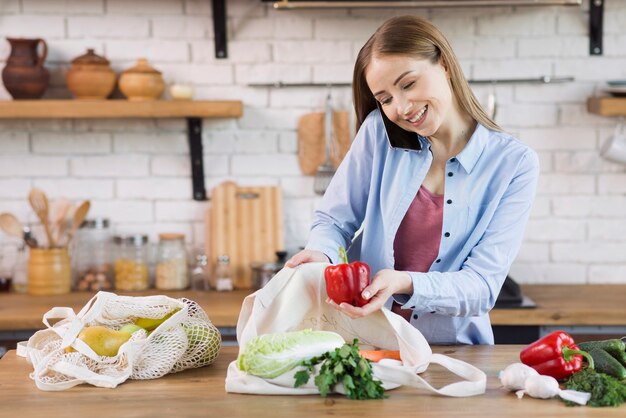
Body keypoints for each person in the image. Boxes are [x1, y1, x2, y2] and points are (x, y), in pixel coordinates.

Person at [285, 15, 539, 345]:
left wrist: (405, 283)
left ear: (444, 64)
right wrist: (322, 253)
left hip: (453, 352)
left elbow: (482, 287)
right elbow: (334, 220)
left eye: (407, 84)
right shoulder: (379, 132)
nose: (402, 108)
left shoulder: (514, 163)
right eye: (385, 98)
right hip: (369, 341)